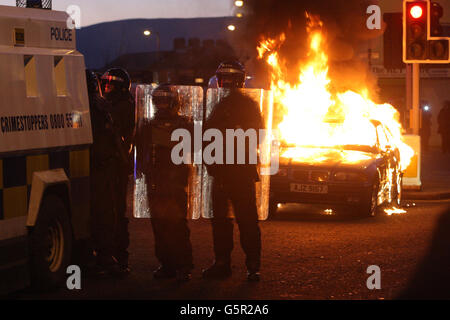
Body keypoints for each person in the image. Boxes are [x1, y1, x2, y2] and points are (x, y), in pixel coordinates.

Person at [203, 61, 264, 282]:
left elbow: (257, 134)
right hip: (220, 172)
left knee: (246, 220)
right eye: (222, 78)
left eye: (229, 79)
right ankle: (222, 263)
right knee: (220, 220)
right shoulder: (216, 105)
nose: (225, 83)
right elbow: (207, 137)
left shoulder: (248, 106)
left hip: (240, 173)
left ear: (238, 81)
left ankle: (253, 265)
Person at [138, 84, 194, 282]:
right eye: (158, 100)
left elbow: (191, 153)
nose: (161, 104)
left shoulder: (184, 124)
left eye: (165, 100)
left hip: (175, 183)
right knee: (159, 225)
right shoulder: (148, 125)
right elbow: (141, 151)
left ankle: (184, 266)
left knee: (177, 225)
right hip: (155, 182)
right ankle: (167, 264)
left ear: (174, 102)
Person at [100, 68, 135, 274]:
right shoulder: (111, 105)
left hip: (117, 166)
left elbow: (123, 138)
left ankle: (120, 258)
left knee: (116, 213)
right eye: (105, 83)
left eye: (111, 84)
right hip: (109, 165)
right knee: (108, 211)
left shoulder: (125, 107)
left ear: (121, 87)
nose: (106, 87)